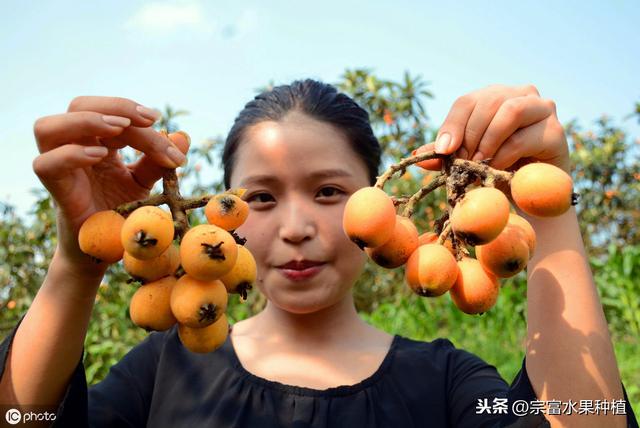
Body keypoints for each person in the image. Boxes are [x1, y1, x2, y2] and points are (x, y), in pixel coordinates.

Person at [0, 80, 637, 428]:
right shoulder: (163, 370)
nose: (299, 226)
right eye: (261, 197)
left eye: (330, 192)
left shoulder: (446, 384)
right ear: (225, 210)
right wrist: (76, 266)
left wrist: (550, 211)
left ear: (382, 201)